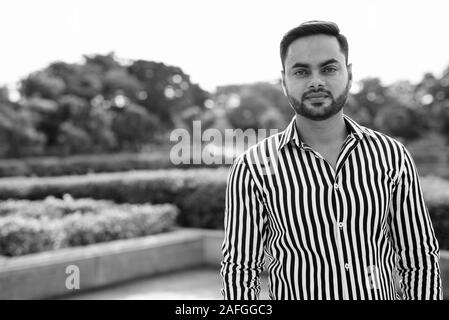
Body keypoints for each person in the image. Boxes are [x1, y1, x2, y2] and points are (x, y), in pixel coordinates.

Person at [220, 20, 442, 300]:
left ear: (348, 73)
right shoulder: (253, 167)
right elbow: (240, 269)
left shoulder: (391, 156)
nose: (316, 81)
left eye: (328, 68)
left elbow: (418, 257)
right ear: (284, 80)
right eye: (301, 71)